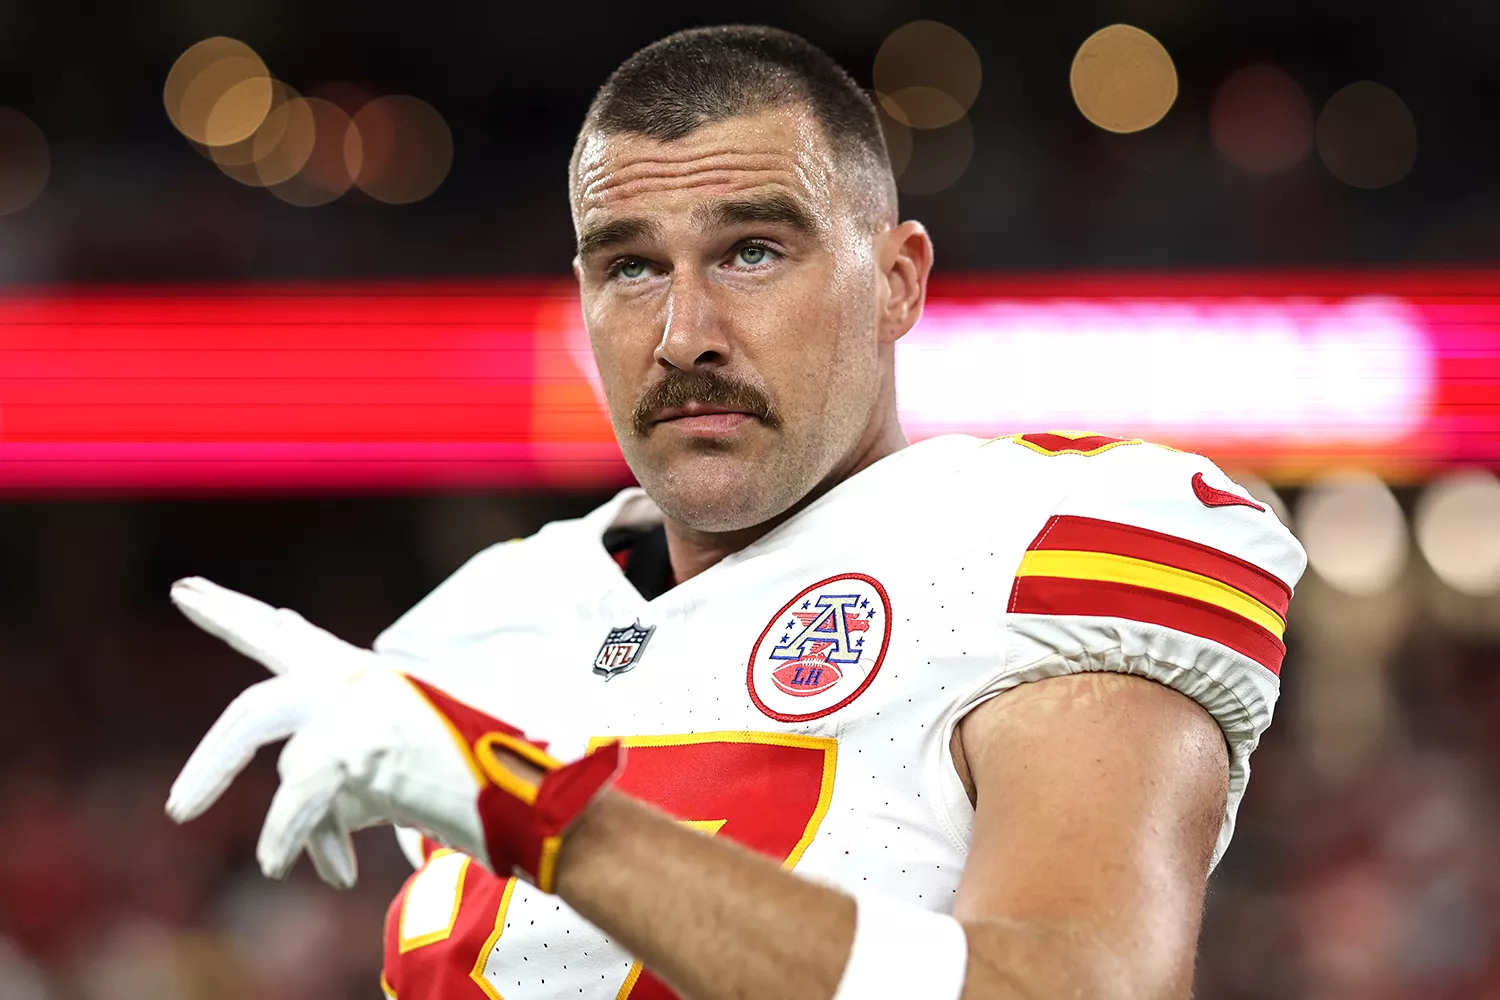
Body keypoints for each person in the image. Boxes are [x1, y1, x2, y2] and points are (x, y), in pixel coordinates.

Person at [164, 25, 1307, 1000]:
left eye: (751, 250)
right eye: (630, 266)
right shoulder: (473, 632)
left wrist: (541, 813)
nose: (683, 332)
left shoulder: (1039, 540)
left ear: (898, 280)